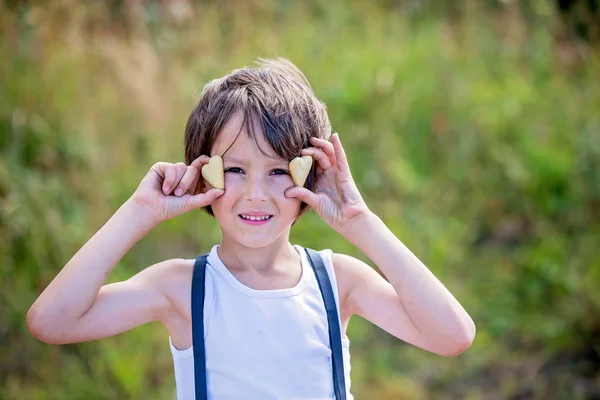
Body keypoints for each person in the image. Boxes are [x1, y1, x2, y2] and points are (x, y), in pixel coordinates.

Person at [26, 58, 476, 400]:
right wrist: (139, 211)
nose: (256, 194)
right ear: (204, 174)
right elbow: (51, 321)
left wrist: (361, 224)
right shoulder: (184, 288)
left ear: (309, 174)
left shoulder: (336, 282)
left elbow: (452, 335)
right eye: (236, 170)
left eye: (278, 171)